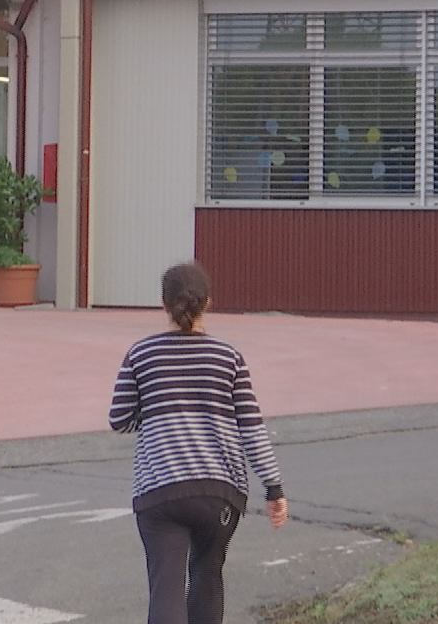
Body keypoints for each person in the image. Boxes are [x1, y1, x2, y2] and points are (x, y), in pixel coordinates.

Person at [109, 261, 287, 624]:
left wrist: (159, 411)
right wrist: (273, 487)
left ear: (164, 304)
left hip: (160, 491)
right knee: (207, 576)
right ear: (209, 302)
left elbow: (120, 419)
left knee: (166, 587)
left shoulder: (141, 354)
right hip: (219, 493)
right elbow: (251, 428)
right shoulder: (228, 357)